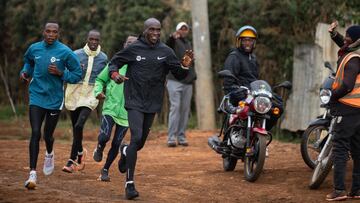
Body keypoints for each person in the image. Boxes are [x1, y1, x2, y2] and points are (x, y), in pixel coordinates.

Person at [108, 18, 194, 200]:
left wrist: (185, 65)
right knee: (136, 136)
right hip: (133, 100)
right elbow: (114, 63)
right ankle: (129, 184)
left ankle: (124, 151)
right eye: (151, 30)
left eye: (158, 30)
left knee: (138, 144)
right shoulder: (133, 48)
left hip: (152, 102)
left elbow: (178, 73)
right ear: (145, 30)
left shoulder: (166, 51)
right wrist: (114, 74)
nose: (155, 33)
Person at [20, 22, 82, 189]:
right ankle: (32, 173)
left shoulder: (65, 52)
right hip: (36, 96)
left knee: (48, 134)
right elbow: (28, 62)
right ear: (43, 32)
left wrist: (62, 73)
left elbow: (77, 75)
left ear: (58, 34)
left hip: (55, 99)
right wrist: (25, 72)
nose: (50, 35)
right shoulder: (34, 48)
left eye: (54, 32)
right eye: (48, 31)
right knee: (35, 132)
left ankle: (49, 153)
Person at [222, 25, 283, 155]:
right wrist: (234, 89)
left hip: (253, 93)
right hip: (239, 92)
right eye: (244, 40)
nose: (247, 43)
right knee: (242, 108)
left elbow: (255, 79)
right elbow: (228, 82)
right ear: (239, 41)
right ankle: (233, 138)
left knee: (277, 106)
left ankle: (260, 136)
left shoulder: (253, 58)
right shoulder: (234, 57)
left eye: (250, 40)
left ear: (254, 42)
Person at [62, 30, 108, 173]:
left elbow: (105, 77)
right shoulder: (76, 54)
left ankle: (71, 160)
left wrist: (102, 91)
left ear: (99, 41)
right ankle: (80, 152)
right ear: (87, 39)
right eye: (91, 39)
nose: (94, 42)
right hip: (74, 93)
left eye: (96, 40)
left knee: (79, 124)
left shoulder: (103, 58)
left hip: (90, 95)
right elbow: (66, 72)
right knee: (76, 127)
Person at [92, 35, 137, 181]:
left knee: (117, 143)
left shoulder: (139, 67)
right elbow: (100, 79)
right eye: (128, 43)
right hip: (110, 106)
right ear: (124, 44)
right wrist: (98, 92)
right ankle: (99, 147)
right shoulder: (115, 63)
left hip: (126, 112)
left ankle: (105, 169)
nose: (131, 46)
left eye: (134, 44)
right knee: (105, 136)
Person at [325, 22, 360, 201]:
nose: (345, 38)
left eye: (348, 36)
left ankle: (339, 190)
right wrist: (334, 34)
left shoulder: (353, 58)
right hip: (358, 110)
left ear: (354, 40)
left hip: (347, 109)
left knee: (340, 149)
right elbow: (345, 46)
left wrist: (333, 95)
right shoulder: (354, 53)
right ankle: (357, 189)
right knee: (357, 150)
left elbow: (347, 85)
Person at [165, 22, 196, 147]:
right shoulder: (174, 41)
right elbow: (168, 45)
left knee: (184, 110)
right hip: (174, 80)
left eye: (185, 29)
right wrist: (172, 37)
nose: (183, 31)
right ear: (177, 30)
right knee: (175, 107)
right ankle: (171, 137)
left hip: (187, 81)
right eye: (181, 29)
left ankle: (181, 136)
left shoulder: (188, 43)